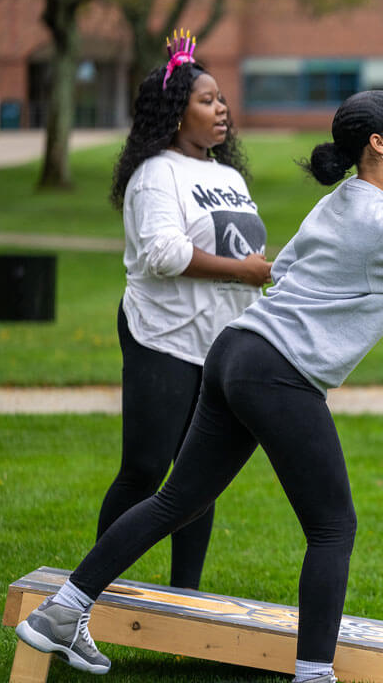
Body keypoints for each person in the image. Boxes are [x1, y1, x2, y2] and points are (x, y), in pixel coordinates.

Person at [15, 90, 383, 683]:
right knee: (333, 527)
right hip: (275, 372)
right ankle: (314, 675)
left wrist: (380, 304)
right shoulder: (380, 221)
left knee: (176, 501)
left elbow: (289, 275)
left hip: (234, 352)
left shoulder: (340, 202)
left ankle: (64, 609)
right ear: (378, 143)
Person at [100, 31, 272, 590]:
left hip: (219, 344)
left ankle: (185, 599)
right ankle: (92, 593)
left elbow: (245, 252)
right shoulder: (156, 175)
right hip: (163, 339)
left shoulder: (228, 176)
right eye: (206, 100)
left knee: (198, 480)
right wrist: (245, 271)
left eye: (221, 98)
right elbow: (164, 254)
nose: (221, 109)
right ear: (176, 113)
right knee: (146, 470)